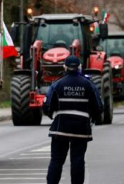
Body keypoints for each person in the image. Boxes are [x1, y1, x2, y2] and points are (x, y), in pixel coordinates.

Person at [42, 56, 104, 184]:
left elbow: (47, 106)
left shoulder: (57, 84)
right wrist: (91, 118)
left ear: (64, 67)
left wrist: (53, 115)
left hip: (60, 128)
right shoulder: (88, 84)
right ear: (79, 67)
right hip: (81, 129)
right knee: (78, 160)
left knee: (56, 160)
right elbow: (98, 107)